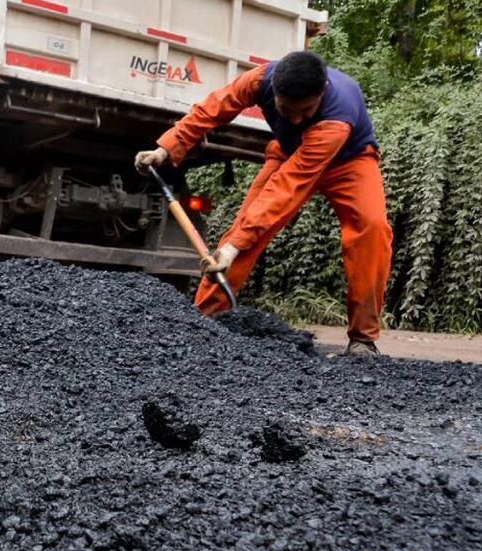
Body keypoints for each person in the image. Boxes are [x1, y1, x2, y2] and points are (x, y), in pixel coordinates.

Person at [136, 51, 392, 356]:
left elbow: (287, 188)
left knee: (372, 229)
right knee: (243, 230)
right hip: (288, 153)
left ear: (322, 91)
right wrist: (166, 149)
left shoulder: (337, 117)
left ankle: (363, 338)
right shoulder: (260, 80)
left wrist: (234, 247)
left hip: (349, 162)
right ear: (275, 93)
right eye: (287, 111)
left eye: (305, 111)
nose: (296, 119)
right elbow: (213, 108)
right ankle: (204, 321)